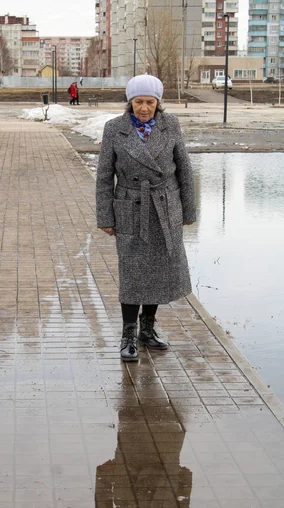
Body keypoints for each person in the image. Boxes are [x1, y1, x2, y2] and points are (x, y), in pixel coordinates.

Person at [96, 74, 196, 362]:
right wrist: (105, 216)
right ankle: (128, 334)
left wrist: (188, 211)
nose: (143, 108)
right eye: (138, 102)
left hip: (165, 206)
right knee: (133, 272)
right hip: (130, 207)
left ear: (157, 103)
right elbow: (104, 177)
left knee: (159, 272)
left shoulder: (171, 125)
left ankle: (147, 330)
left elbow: (184, 171)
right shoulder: (115, 128)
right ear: (130, 103)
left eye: (149, 102)